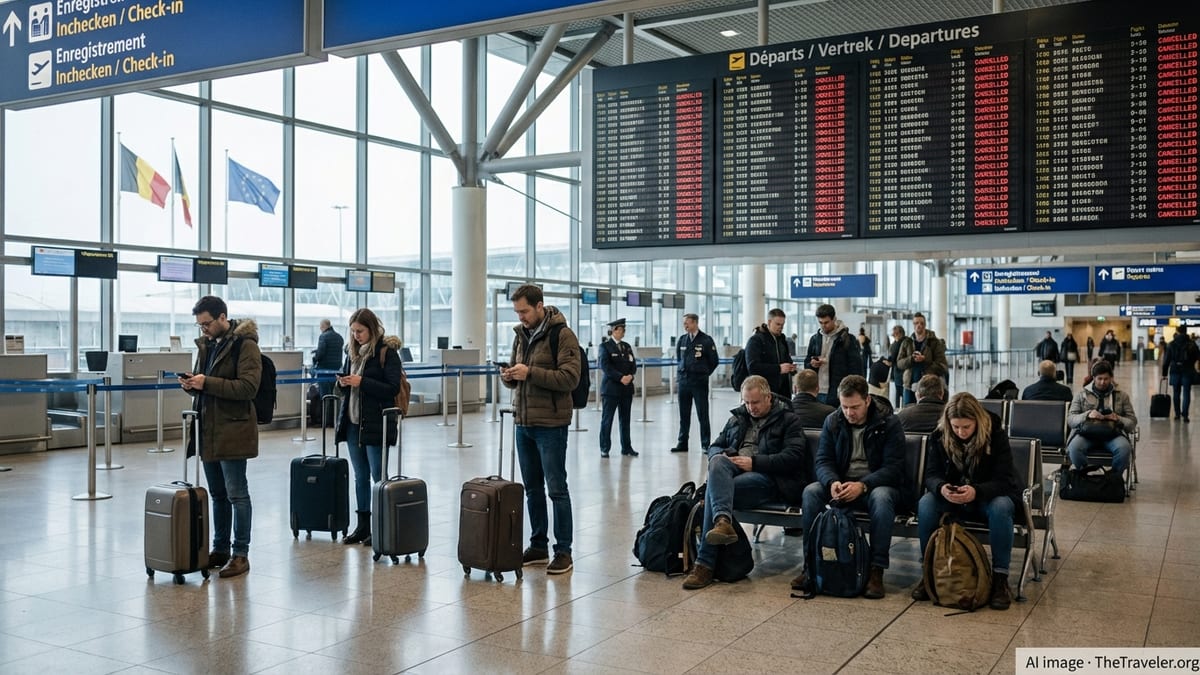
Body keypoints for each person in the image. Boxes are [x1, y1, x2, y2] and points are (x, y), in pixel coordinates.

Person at [681, 375, 807, 590]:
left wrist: (754, 462)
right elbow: (714, 446)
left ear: (768, 397)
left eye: (755, 402)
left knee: (714, 491)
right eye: (746, 402)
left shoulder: (788, 420)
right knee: (719, 461)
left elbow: (794, 457)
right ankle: (722, 522)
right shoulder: (737, 418)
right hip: (734, 473)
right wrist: (725, 455)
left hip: (768, 479)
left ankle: (705, 564)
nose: (751, 408)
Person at [794, 375, 906, 599]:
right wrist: (832, 482)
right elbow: (823, 460)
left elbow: (894, 468)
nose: (849, 413)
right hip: (842, 484)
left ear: (867, 400)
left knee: (882, 499)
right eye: (844, 407)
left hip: (877, 485)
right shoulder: (833, 421)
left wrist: (863, 485)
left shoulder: (888, 423)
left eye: (854, 407)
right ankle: (810, 565)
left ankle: (876, 569)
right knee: (812, 491)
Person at [912, 392, 1022, 610]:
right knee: (926, 503)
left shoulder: (995, 435)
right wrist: (941, 487)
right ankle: (929, 571)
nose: (961, 432)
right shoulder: (940, 435)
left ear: (977, 422)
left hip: (988, 497)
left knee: (1001, 507)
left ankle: (1000, 578)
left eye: (966, 427)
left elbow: (1005, 479)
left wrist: (976, 491)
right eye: (956, 427)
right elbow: (931, 474)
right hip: (953, 496)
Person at [500, 284, 581, 574]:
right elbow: (516, 372)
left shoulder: (563, 334)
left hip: (551, 425)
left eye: (524, 311)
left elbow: (570, 378)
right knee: (532, 489)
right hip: (524, 422)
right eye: (517, 312)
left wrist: (530, 373)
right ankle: (538, 545)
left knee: (556, 489)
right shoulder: (520, 335)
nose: (520, 316)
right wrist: (509, 376)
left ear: (539, 306)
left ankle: (564, 551)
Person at [178, 295, 260, 579]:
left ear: (223, 317)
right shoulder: (207, 346)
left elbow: (248, 388)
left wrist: (207, 382)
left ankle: (241, 553)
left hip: (233, 430)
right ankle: (220, 548)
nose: (204, 329)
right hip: (208, 429)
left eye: (207, 324)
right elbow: (206, 384)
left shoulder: (246, 345)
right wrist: (192, 385)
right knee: (218, 495)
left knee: (237, 494)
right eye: (200, 325)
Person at [334, 308, 403, 546]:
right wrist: (343, 383)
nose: (356, 336)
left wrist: (362, 382)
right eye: (352, 331)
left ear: (372, 329)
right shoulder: (351, 354)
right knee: (359, 475)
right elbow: (346, 389)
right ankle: (362, 526)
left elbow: (392, 388)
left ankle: (380, 525)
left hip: (376, 422)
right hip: (353, 422)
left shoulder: (386, 353)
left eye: (360, 331)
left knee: (377, 475)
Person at [1066, 360, 1136, 478]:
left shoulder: (1121, 396)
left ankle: (1113, 479)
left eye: (1106, 378)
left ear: (1111, 378)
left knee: (1124, 449)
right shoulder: (1081, 395)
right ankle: (1087, 477)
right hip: (1087, 434)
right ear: (1093, 378)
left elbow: (1132, 422)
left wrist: (1118, 418)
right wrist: (1087, 415)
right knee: (1074, 448)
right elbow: (1071, 419)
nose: (1103, 382)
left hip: (1113, 434)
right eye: (1099, 378)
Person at [673, 313, 719, 453]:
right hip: (684, 382)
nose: (685, 325)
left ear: (695, 323)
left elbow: (714, 361)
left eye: (687, 323)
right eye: (684, 323)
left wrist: (704, 373)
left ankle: (705, 444)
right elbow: (679, 359)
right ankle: (682, 443)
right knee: (684, 415)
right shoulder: (682, 340)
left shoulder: (706, 340)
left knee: (702, 414)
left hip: (699, 382)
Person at [803, 304, 862, 405]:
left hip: (838, 392)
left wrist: (854, 391)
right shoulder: (815, 339)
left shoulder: (848, 339)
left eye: (826, 322)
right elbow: (807, 362)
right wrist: (812, 364)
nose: (823, 326)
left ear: (834, 319)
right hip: (817, 391)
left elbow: (856, 367)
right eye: (820, 322)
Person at [598, 318, 637, 457]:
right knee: (607, 420)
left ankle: (626, 447)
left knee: (625, 420)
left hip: (626, 389)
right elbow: (606, 367)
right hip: (611, 390)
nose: (623, 332)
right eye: (621, 330)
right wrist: (621, 377)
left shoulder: (627, 346)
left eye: (624, 330)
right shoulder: (605, 347)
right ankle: (604, 448)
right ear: (614, 331)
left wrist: (630, 376)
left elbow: (633, 365)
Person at [896, 312, 949, 406]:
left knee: (929, 410)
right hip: (910, 384)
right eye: (916, 323)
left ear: (925, 324)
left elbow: (942, 366)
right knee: (908, 410)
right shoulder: (906, 342)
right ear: (913, 325)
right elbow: (899, 363)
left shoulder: (934, 342)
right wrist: (911, 359)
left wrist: (925, 360)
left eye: (921, 323)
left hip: (929, 386)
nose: (919, 325)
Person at [746, 308, 798, 401]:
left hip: (783, 392)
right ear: (769, 322)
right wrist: (779, 369)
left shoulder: (782, 340)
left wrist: (791, 367)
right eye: (778, 324)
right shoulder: (756, 340)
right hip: (764, 392)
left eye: (782, 325)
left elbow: (786, 359)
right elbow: (753, 367)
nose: (780, 328)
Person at [1162, 325, 1199, 422]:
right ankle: (1185, 415)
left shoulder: (1171, 344)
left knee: (1176, 392)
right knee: (1186, 393)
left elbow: (1166, 360)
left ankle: (1177, 414)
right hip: (1187, 370)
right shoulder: (1192, 343)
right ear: (1186, 331)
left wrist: (1164, 373)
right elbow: (1198, 357)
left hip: (1175, 370)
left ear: (1177, 332)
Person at [312, 319, 345, 396]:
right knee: (333, 394)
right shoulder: (339, 337)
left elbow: (321, 353)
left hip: (324, 369)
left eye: (320, 328)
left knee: (324, 394)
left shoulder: (323, 336)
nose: (320, 330)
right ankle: (332, 408)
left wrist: (314, 359)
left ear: (323, 327)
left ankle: (325, 408)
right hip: (336, 370)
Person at [884, 325, 909, 409]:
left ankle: (899, 409)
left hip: (900, 372)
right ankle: (901, 409)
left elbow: (892, 359)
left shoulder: (898, 343)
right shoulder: (905, 342)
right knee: (902, 392)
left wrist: (888, 362)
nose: (893, 335)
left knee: (899, 392)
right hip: (903, 372)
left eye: (895, 334)